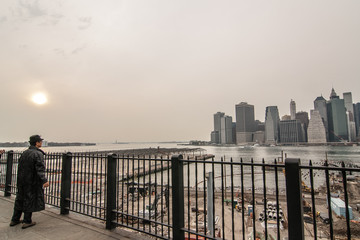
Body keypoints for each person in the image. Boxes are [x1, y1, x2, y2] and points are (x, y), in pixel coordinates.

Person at [10, 135, 49, 229]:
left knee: (20, 199)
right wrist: (44, 180)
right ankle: (27, 221)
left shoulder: (25, 153)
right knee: (29, 199)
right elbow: (39, 169)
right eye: (40, 141)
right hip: (32, 181)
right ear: (37, 142)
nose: (41, 142)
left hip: (22, 180)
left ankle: (14, 219)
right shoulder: (37, 154)